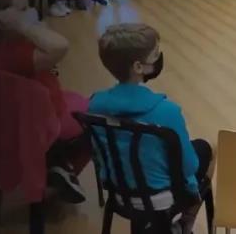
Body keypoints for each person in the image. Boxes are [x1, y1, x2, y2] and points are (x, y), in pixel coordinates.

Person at [0, 0, 91, 203]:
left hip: (19, 115)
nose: (30, 15)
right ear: (1, 19)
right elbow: (60, 46)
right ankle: (61, 172)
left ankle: (57, 164)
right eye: (22, 11)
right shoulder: (17, 53)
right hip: (42, 119)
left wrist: (25, 28)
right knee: (96, 122)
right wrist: (26, 27)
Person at [89, 23, 214, 234]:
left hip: (118, 193)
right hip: (160, 197)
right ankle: (184, 224)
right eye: (155, 54)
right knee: (208, 148)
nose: (159, 58)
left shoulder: (94, 105)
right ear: (138, 67)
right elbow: (189, 166)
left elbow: (98, 154)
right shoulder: (166, 111)